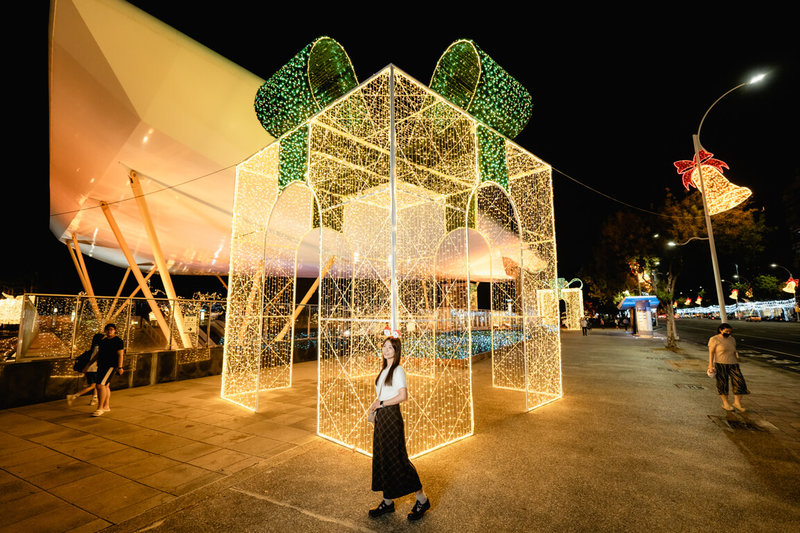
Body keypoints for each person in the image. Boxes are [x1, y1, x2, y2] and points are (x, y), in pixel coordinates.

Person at [368, 335, 430, 521]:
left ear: (396, 351)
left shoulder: (398, 370)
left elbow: (403, 396)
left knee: (398, 459)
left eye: (390, 347)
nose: (386, 350)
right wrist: (373, 408)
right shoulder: (384, 369)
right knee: (383, 458)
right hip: (382, 417)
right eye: (384, 346)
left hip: (392, 418)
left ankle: (422, 499)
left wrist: (382, 403)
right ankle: (387, 502)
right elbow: (382, 394)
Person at [707, 323, 749, 412]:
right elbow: (711, 353)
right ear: (720, 330)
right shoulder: (714, 339)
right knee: (723, 383)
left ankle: (737, 403)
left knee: (740, 382)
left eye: (730, 331)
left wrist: (738, 359)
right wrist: (710, 365)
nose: (728, 333)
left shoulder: (732, 339)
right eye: (726, 331)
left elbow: (734, 351)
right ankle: (725, 403)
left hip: (733, 363)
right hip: (720, 363)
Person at [89, 323, 125, 417]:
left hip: (111, 366)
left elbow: (120, 354)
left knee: (100, 385)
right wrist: (89, 364)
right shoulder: (103, 341)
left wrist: (120, 367)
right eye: (108, 329)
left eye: (111, 329)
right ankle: (106, 406)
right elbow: (98, 354)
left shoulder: (118, 341)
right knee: (105, 386)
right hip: (101, 365)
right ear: (105, 330)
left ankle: (100, 408)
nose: (109, 331)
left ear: (115, 330)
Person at [66, 332, 103, 406]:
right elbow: (94, 359)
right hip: (93, 369)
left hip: (91, 369)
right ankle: (74, 396)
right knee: (93, 386)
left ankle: (94, 399)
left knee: (94, 385)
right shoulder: (98, 348)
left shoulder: (94, 347)